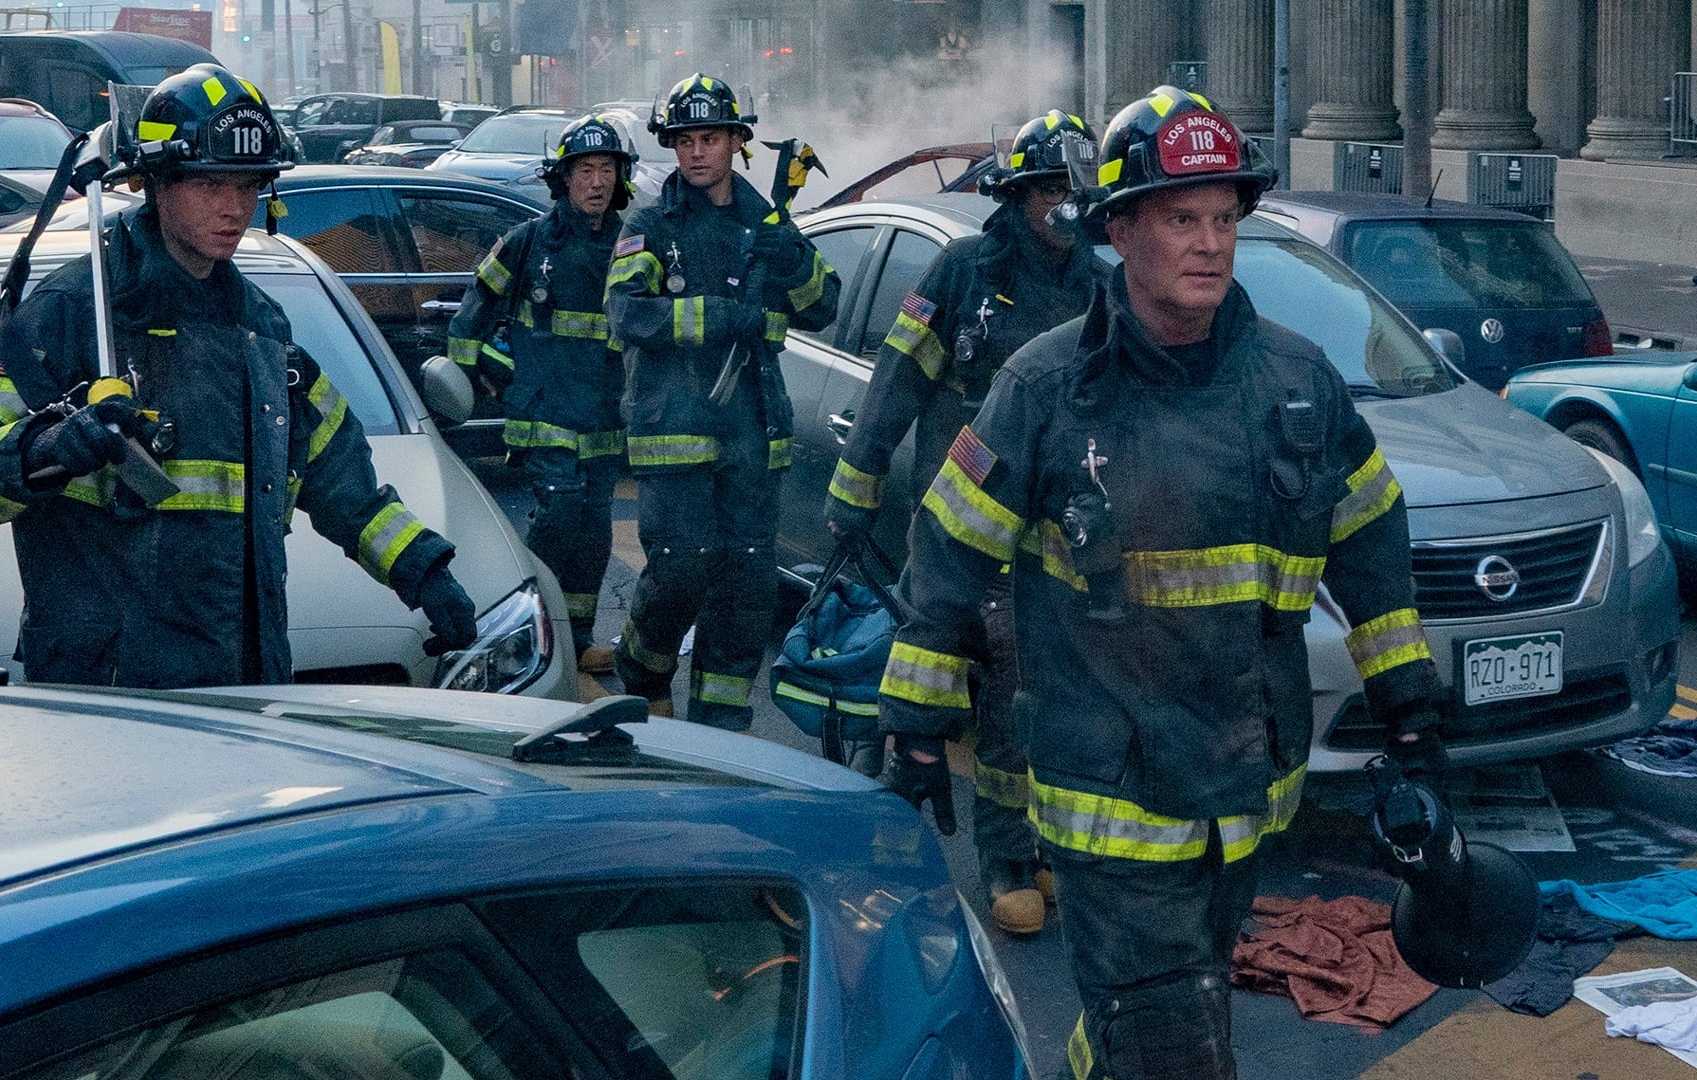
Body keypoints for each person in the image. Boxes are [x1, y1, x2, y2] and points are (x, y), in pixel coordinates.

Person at [875, 86, 1444, 1080]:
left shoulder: (1297, 382)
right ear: (1119, 228)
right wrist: (915, 722)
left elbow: (1369, 536)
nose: (1211, 245)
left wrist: (1407, 705)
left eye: (1225, 218)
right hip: (1110, 799)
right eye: (1182, 219)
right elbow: (950, 548)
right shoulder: (1045, 389)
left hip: (1247, 792)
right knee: (1177, 1049)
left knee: (1162, 1013)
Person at [0, 63, 478, 689]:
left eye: (249, 186)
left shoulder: (261, 328)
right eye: (211, 184)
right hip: (110, 697)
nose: (234, 208)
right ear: (157, 183)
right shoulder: (74, 313)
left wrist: (425, 573)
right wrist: (49, 449)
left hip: (246, 683)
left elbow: (342, 482)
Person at [824, 109, 1101, 938]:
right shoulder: (961, 273)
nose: (1063, 206)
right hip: (960, 521)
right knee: (946, 680)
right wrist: (857, 480)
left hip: (1054, 531)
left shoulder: (1100, 285)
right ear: (1016, 195)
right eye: (1048, 190)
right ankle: (974, 851)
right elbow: (897, 379)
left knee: (1035, 694)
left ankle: (1028, 846)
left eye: (1073, 190)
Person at [604, 73, 839, 726]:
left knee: (745, 586)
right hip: (673, 431)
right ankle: (642, 667)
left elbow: (823, 305)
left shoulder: (767, 225)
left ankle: (720, 733)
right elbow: (626, 313)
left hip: (752, 434)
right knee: (681, 568)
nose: (697, 151)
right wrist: (717, 316)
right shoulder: (651, 226)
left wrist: (791, 259)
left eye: (710, 138)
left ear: (737, 141)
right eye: (685, 140)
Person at [448, 114, 633, 686]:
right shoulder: (527, 243)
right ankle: (539, 632)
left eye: (606, 170)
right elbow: (469, 319)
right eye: (585, 170)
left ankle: (578, 638)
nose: (597, 181)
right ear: (563, 178)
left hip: (604, 416)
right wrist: (479, 380)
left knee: (594, 527)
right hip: (544, 414)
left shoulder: (632, 246)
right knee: (559, 515)